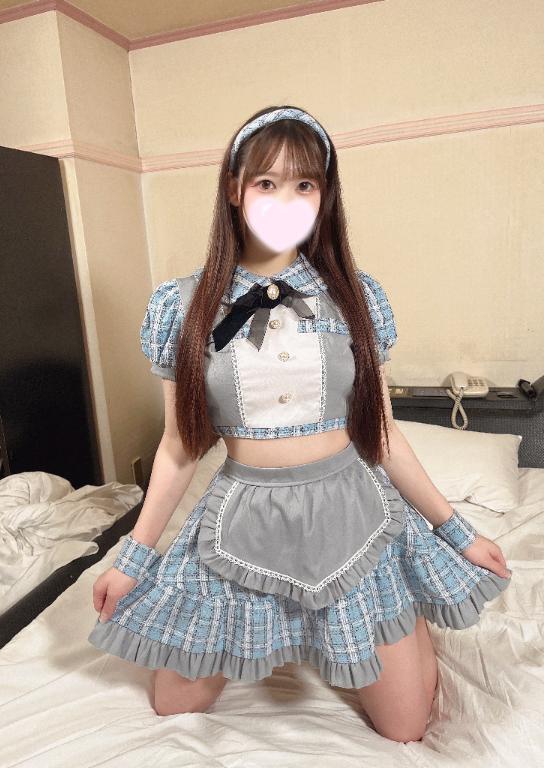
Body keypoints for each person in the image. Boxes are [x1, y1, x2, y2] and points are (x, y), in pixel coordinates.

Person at [88, 105, 512, 741]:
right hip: (242, 521)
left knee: (405, 729)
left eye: (304, 184)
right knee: (173, 706)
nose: (286, 200)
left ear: (323, 196)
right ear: (235, 189)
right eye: (267, 182)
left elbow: (382, 433)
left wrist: (458, 533)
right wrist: (134, 558)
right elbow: (179, 448)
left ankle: (403, 609)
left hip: (352, 516)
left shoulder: (356, 296)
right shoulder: (183, 304)